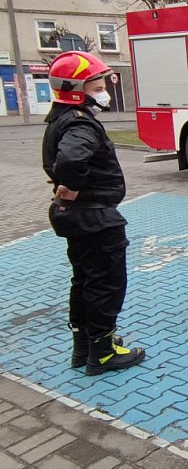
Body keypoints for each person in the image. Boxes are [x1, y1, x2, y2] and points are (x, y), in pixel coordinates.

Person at [42, 51, 146, 376]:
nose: (104, 86)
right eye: (97, 82)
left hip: (80, 217)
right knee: (106, 283)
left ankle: (84, 346)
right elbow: (72, 160)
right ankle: (102, 352)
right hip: (95, 217)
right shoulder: (80, 124)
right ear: (77, 87)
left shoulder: (62, 118)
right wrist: (70, 183)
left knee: (85, 280)